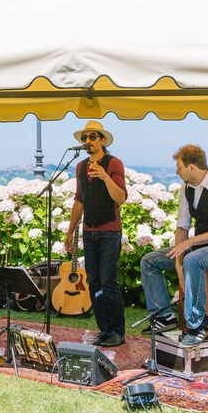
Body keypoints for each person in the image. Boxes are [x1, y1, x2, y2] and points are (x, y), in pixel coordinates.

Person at [140, 144, 208, 346]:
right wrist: (178, 263)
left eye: (179, 167)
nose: (177, 171)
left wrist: (189, 245)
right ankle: (164, 317)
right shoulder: (186, 189)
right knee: (149, 261)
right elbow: (182, 227)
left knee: (193, 260)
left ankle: (197, 325)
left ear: (192, 167)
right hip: (197, 250)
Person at [65, 121, 128, 347]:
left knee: (108, 282)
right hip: (88, 231)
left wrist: (104, 176)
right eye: (85, 138)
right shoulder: (80, 166)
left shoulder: (114, 163)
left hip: (109, 231)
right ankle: (104, 329)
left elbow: (120, 197)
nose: (88, 141)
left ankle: (117, 331)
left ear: (102, 140)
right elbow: (79, 199)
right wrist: (71, 232)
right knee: (94, 282)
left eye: (92, 137)